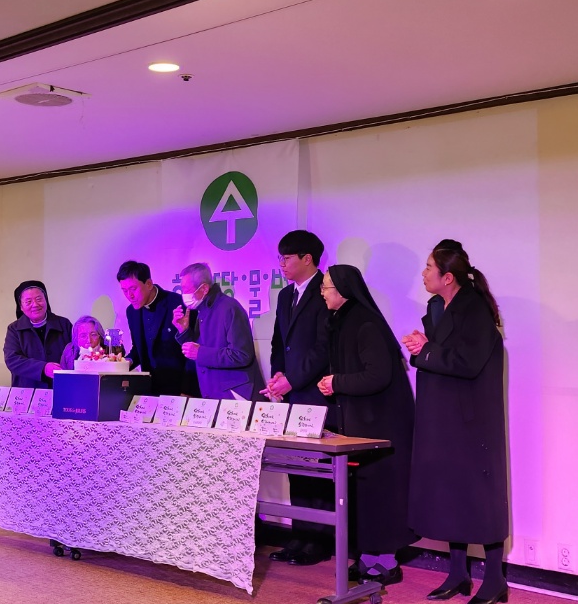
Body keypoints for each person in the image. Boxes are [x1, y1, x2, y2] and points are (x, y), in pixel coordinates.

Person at [403, 244, 509, 604]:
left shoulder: (474, 308)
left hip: (471, 420)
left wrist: (426, 350)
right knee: (450, 494)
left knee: (480, 496)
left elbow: (467, 361)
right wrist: (422, 345)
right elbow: (438, 352)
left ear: (447, 277)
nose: (423, 273)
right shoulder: (437, 307)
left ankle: (494, 578)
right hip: (442, 418)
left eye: (429, 267)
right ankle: (458, 573)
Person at [315, 264, 416, 585]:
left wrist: (337, 382)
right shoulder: (342, 320)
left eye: (326, 286)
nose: (322, 292)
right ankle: (368, 558)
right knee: (363, 493)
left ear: (343, 290)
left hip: (382, 425)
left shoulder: (365, 323)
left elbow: (377, 375)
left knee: (381, 494)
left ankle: (386, 563)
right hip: (362, 424)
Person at [264, 230, 333, 566]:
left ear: (308, 258)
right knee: (296, 465)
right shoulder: (285, 295)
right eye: (280, 257)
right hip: (291, 393)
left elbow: (323, 348)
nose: (282, 264)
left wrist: (293, 379)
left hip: (316, 392)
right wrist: (279, 374)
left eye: (287, 258)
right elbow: (279, 341)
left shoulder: (325, 291)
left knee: (317, 470)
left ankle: (319, 540)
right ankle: (300, 535)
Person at [173, 262, 262, 400]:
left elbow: (242, 354)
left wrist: (200, 352)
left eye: (186, 290)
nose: (183, 294)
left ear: (204, 288)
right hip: (214, 393)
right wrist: (184, 331)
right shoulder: (203, 310)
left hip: (236, 394)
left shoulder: (229, 308)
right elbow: (200, 349)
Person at [117, 260, 196, 395]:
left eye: (133, 289)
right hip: (149, 389)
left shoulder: (178, 304)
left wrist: (187, 390)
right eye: (124, 291)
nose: (129, 296)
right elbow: (138, 349)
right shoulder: (131, 312)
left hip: (179, 389)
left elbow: (192, 350)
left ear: (148, 284)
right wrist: (125, 362)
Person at [2, 280, 73, 388]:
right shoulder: (14, 329)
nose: (35, 305)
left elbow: (75, 352)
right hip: (27, 390)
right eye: (28, 301)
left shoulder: (64, 324)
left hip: (60, 388)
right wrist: (43, 368)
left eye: (39, 299)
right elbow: (12, 359)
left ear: (46, 300)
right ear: (21, 307)